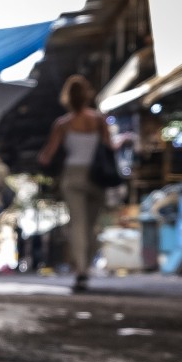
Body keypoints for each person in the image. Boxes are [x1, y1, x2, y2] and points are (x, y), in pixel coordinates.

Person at [38, 74, 113, 292]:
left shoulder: (63, 124)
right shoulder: (99, 121)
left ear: (68, 98)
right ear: (88, 95)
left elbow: (47, 156)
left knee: (77, 224)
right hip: (97, 176)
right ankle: (86, 266)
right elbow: (109, 147)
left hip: (73, 175)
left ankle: (81, 270)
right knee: (92, 225)